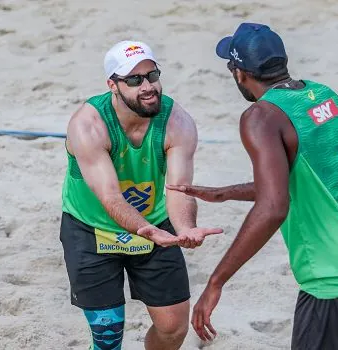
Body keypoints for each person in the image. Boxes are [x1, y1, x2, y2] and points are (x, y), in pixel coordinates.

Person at [167, 23, 338, 349]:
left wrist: (216, 282)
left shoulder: (261, 117)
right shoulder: (323, 95)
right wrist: (226, 193)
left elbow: (273, 207)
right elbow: (314, 178)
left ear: (238, 73)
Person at [59, 40, 223, 350]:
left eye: (152, 75)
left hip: (156, 226)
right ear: (113, 86)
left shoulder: (177, 121)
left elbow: (178, 190)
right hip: (92, 229)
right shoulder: (88, 125)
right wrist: (145, 229)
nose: (147, 86)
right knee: (108, 337)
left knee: (173, 329)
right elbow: (110, 198)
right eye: (134, 80)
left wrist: (185, 228)